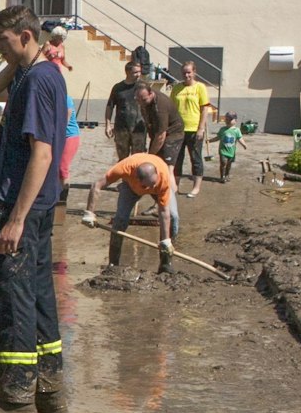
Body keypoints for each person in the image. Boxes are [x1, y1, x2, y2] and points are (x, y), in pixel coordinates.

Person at [0, 5, 70, 413]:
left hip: (22, 207)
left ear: (26, 36)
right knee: (41, 296)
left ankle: (15, 400)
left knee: (13, 299)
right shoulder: (34, 75)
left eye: (4, 41)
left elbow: (42, 154)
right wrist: (18, 59)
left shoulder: (39, 80)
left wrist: (15, 218)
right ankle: (49, 392)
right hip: (39, 206)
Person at [82, 154, 178, 273]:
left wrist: (165, 240)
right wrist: (89, 213)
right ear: (137, 178)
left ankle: (165, 263)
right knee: (120, 220)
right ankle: (113, 264)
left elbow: (164, 212)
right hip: (131, 188)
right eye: (147, 186)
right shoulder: (125, 168)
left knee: (173, 217)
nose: (150, 188)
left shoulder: (162, 178)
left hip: (161, 186)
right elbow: (96, 185)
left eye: (153, 184)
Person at [171, 62, 214, 198]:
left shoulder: (200, 87)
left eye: (189, 72)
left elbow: (204, 108)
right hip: (178, 129)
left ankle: (196, 187)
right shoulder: (176, 88)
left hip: (194, 128)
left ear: (194, 72)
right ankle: (175, 186)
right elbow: (171, 108)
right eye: (184, 72)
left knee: (195, 158)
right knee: (177, 158)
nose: (186, 75)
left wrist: (201, 128)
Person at [105, 62, 150, 159]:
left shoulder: (143, 86)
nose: (138, 74)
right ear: (127, 72)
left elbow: (150, 104)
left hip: (139, 128)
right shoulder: (118, 88)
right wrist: (108, 125)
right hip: (122, 128)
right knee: (122, 158)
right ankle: (123, 174)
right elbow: (110, 106)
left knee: (138, 158)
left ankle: (136, 174)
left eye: (139, 72)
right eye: (135, 72)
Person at [215, 115, 244, 182]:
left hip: (231, 152)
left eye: (230, 119)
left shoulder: (237, 130)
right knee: (223, 163)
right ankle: (222, 177)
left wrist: (244, 145)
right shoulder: (222, 129)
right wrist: (210, 140)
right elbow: (218, 137)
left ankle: (227, 175)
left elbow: (240, 138)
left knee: (229, 164)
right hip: (223, 151)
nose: (228, 121)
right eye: (226, 119)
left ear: (235, 121)